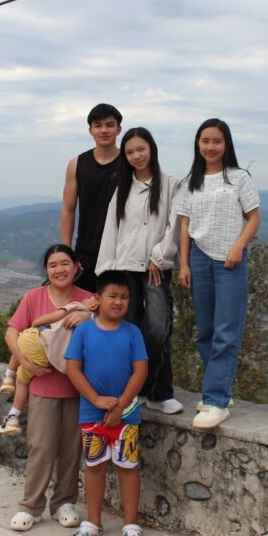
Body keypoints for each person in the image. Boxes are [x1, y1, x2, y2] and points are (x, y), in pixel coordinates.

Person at [177, 119, 261, 430]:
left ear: (226, 145)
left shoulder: (239, 178)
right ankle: (220, 389)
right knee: (206, 331)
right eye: (205, 140)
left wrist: (239, 246)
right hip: (199, 257)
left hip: (230, 260)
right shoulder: (190, 181)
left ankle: (215, 399)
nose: (210, 147)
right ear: (197, 144)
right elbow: (184, 225)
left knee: (227, 331)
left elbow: (253, 217)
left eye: (217, 141)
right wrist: (184, 263)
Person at [4, 244, 93, 532]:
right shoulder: (34, 298)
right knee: (40, 447)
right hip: (42, 385)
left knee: (70, 449)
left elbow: (108, 324)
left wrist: (88, 316)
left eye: (65, 263)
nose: (59, 269)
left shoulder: (88, 299)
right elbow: (12, 332)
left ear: (76, 266)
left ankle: (64, 502)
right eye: (53, 265)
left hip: (78, 387)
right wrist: (24, 363)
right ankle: (31, 505)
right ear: (46, 270)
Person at [96, 127, 183, 414]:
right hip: (124, 268)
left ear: (152, 148)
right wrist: (106, 271)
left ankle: (160, 392)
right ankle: (136, 390)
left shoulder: (170, 184)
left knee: (157, 329)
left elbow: (176, 224)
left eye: (141, 149)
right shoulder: (124, 188)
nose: (136, 156)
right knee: (128, 331)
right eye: (130, 151)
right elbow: (112, 230)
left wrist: (160, 257)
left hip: (154, 268)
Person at [65, 270, 148, 536]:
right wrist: (97, 400)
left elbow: (140, 372)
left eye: (124, 297)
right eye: (113, 296)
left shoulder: (133, 332)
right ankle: (94, 522)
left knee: (128, 467)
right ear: (97, 299)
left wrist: (120, 406)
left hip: (127, 416)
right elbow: (73, 369)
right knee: (94, 467)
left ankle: (131, 525)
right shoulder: (84, 331)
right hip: (92, 413)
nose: (119, 302)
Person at [0, 295, 97, 436]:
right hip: (48, 359)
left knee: (21, 343)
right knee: (23, 378)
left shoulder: (77, 306)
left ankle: (8, 376)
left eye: (90, 298)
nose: (86, 297)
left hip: (38, 342)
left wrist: (36, 323)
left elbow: (50, 318)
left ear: (93, 305)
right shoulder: (94, 326)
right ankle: (12, 418)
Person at [61, 103, 123, 293]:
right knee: (80, 308)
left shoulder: (129, 163)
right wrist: (66, 252)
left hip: (121, 250)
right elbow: (68, 210)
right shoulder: (77, 164)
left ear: (118, 129)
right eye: (98, 125)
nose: (104, 130)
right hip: (86, 250)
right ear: (90, 130)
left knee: (119, 308)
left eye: (109, 125)